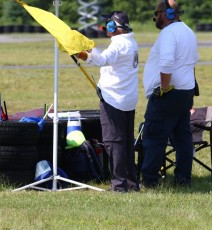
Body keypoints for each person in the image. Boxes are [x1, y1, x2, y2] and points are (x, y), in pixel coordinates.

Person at [76, 11, 140, 192]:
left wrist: (83, 54)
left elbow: (103, 60)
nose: (106, 28)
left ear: (114, 27)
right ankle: (131, 183)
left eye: (108, 25)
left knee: (114, 142)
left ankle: (119, 185)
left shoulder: (119, 43)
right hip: (127, 98)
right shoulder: (131, 41)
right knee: (126, 142)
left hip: (114, 99)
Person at [141, 0, 199, 187]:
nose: (155, 18)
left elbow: (166, 63)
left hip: (169, 94)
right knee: (182, 137)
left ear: (165, 14)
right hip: (185, 93)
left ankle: (150, 181)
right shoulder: (188, 31)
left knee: (154, 137)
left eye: (157, 14)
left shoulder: (168, 33)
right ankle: (183, 179)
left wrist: (164, 88)